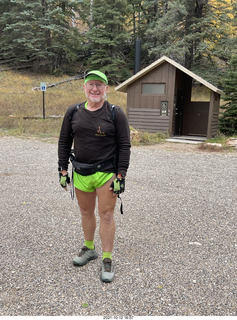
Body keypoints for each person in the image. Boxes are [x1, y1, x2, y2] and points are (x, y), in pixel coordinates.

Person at [58, 70, 131, 283]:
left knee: (106, 215)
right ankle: (89, 249)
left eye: (100, 85)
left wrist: (121, 175)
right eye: (91, 84)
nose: (95, 89)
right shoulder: (73, 112)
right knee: (85, 212)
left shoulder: (115, 113)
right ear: (84, 87)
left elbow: (125, 146)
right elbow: (64, 142)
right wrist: (62, 170)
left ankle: (107, 258)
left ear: (106, 88)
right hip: (81, 172)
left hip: (106, 173)